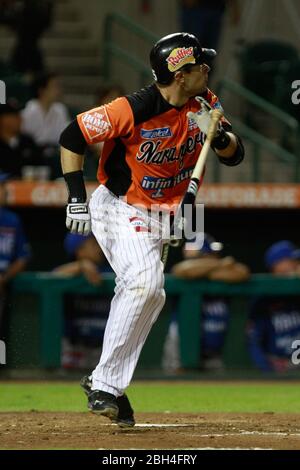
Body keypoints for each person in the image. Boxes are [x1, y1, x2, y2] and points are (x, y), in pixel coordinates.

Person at [59, 32, 245, 426]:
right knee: (144, 283)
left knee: (153, 294)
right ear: (180, 74)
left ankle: (107, 382)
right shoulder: (134, 107)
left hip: (168, 213)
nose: (207, 69)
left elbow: (234, 155)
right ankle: (106, 385)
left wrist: (219, 134)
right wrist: (75, 196)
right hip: (119, 206)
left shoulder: (205, 102)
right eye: (200, 64)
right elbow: (72, 135)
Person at [162, 233, 250, 372]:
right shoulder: (186, 269)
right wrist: (220, 264)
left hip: (213, 349)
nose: (214, 256)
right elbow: (183, 270)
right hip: (182, 345)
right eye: (209, 254)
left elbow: (242, 272)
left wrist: (207, 270)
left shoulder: (219, 271)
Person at [54, 233, 112, 370]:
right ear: (79, 250)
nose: (99, 248)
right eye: (93, 244)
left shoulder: (110, 269)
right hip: (74, 345)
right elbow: (51, 278)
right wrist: (80, 266)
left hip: (103, 346)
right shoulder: (70, 271)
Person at [247, 240, 300, 373]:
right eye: (291, 260)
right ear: (276, 265)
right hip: (279, 364)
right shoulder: (263, 298)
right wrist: (267, 371)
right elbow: (253, 340)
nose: (296, 264)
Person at [21, 72, 70, 178]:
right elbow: (24, 139)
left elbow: (65, 137)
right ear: (42, 90)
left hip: (55, 155)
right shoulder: (30, 110)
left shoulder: (60, 110)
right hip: (34, 156)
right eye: (54, 86)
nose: (58, 90)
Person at [0, 172, 30, 337]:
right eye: (1, 187)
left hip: (3, 284)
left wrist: (4, 278)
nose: (5, 191)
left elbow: (22, 256)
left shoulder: (12, 220)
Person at [0, 0, 53, 77]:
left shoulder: (25, 13)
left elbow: (6, 20)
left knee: (17, 73)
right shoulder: (34, 12)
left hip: (25, 48)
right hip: (29, 48)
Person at [0, 100, 40, 177]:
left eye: (19, 115)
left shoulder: (28, 142)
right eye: (14, 116)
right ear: (2, 119)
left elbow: (40, 167)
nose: (20, 119)